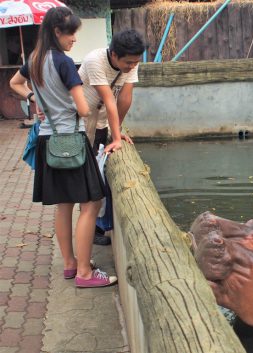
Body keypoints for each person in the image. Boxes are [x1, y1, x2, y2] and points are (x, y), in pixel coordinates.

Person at [9, 7, 117, 288]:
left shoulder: (33, 59)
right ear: (57, 32)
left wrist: (37, 100)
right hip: (72, 141)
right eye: (71, 33)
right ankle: (84, 273)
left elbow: (15, 83)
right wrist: (91, 103)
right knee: (91, 203)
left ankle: (71, 265)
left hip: (48, 140)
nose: (74, 39)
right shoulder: (64, 63)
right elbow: (83, 108)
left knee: (63, 206)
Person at [78, 29, 145, 246]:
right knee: (87, 173)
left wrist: (118, 131)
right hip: (81, 121)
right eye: (129, 62)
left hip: (101, 121)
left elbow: (125, 98)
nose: (132, 66)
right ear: (114, 54)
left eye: (136, 62)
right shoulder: (94, 60)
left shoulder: (131, 62)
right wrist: (115, 138)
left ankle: (97, 224)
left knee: (98, 171)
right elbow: (109, 99)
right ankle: (90, 225)